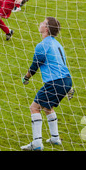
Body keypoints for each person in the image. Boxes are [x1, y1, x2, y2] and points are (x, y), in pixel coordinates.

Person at [20, 17, 73, 151]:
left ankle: (37, 143)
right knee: (47, 107)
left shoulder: (42, 45)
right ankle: (55, 138)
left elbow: (35, 66)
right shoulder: (57, 44)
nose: (40, 23)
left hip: (55, 82)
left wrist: (26, 77)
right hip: (66, 80)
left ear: (47, 28)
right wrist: (68, 87)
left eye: (43, 22)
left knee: (34, 108)